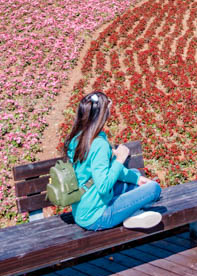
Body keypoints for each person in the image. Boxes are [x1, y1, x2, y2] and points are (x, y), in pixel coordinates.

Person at [62, 91, 162, 230]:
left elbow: (104, 171)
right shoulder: (99, 144)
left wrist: (136, 179)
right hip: (97, 217)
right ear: (102, 115)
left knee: (133, 175)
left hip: (81, 210)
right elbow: (103, 187)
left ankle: (132, 214)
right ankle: (132, 213)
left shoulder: (77, 139)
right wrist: (119, 160)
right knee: (153, 189)